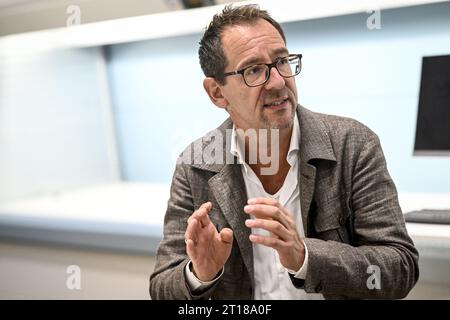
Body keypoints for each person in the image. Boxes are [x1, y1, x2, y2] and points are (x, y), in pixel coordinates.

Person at [149, 4, 419, 300]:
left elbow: (399, 267)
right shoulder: (196, 164)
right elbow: (162, 286)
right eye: (254, 70)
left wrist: (305, 257)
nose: (278, 82)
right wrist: (201, 274)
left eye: (282, 61)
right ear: (217, 92)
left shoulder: (353, 144)